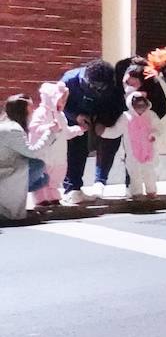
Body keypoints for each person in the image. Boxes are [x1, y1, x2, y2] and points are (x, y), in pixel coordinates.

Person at [57, 59, 122, 205]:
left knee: (109, 141)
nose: (98, 90)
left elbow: (117, 105)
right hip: (76, 118)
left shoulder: (111, 83)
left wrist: (103, 122)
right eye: (94, 86)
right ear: (86, 78)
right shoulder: (69, 80)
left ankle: (100, 182)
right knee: (76, 149)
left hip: (102, 115)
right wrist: (76, 116)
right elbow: (59, 105)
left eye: (102, 87)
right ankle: (73, 189)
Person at [27, 82, 86, 206]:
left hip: (58, 153)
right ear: (52, 99)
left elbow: (65, 132)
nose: (63, 104)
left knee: (55, 176)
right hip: (45, 153)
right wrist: (49, 127)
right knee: (42, 175)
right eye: (60, 100)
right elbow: (33, 128)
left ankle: (53, 195)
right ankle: (41, 197)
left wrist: (79, 130)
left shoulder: (61, 116)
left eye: (64, 101)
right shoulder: (41, 113)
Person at [98, 91, 161, 199]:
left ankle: (151, 191)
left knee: (150, 172)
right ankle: (137, 193)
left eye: (143, 105)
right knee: (134, 174)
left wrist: (154, 134)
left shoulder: (151, 115)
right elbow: (116, 131)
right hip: (132, 153)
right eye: (137, 105)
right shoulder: (126, 117)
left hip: (149, 152)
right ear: (131, 105)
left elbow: (159, 128)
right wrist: (104, 132)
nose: (141, 108)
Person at [1, 95, 53, 223]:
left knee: (42, 178)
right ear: (23, 111)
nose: (33, 112)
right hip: (4, 172)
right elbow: (32, 153)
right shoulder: (13, 129)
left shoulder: (7, 125)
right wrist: (50, 133)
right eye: (31, 109)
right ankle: (9, 209)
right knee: (37, 165)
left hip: (6, 168)